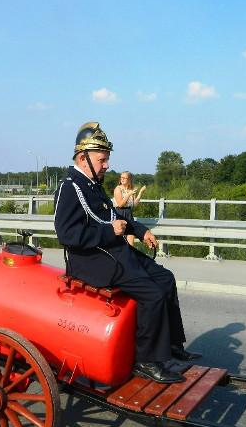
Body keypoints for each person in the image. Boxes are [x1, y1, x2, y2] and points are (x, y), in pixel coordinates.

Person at [54, 121, 200, 384]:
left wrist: (142, 231)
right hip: (91, 261)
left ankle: (172, 345)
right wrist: (109, 232)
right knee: (153, 295)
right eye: (102, 160)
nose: (107, 165)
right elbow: (67, 235)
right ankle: (146, 360)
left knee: (166, 279)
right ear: (83, 158)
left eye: (106, 159)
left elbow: (115, 217)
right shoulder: (70, 187)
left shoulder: (92, 184)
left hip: (112, 251)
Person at [113, 171, 146, 246]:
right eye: (121, 177)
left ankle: (130, 251)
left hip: (128, 213)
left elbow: (134, 204)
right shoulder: (118, 189)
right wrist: (128, 194)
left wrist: (140, 193)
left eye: (124, 178)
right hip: (119, 213)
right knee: (120, 240)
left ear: (129, 179)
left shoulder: (131, 189)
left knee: (131, 239)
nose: (122, 179)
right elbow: (120, 204)